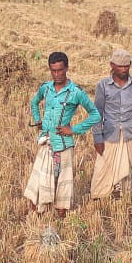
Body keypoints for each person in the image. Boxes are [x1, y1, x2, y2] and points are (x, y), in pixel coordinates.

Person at [24, 52, 100, 218]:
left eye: (60, 70)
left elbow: (95, 115)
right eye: (53, 71)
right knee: (38, 178)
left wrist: (73, 130)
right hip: (46, 141)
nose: (57, 74)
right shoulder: (46, 88)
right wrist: (38, 120)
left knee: (64, 182)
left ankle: (61, 217)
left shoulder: (76, 92)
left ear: (66, 68)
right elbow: (34, 102)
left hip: (64, 144)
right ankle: (38, 214)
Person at [90, 49, 132, 200]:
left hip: (128, 134)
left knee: (126, 170)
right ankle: (99, 195)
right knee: (102, 168)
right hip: (109, 135)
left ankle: (121, 196)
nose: (123, 70)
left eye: (126, 66)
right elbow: (97, 114)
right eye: (120, 66)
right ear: (112, 65)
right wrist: (97, 138)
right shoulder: (103, 86)